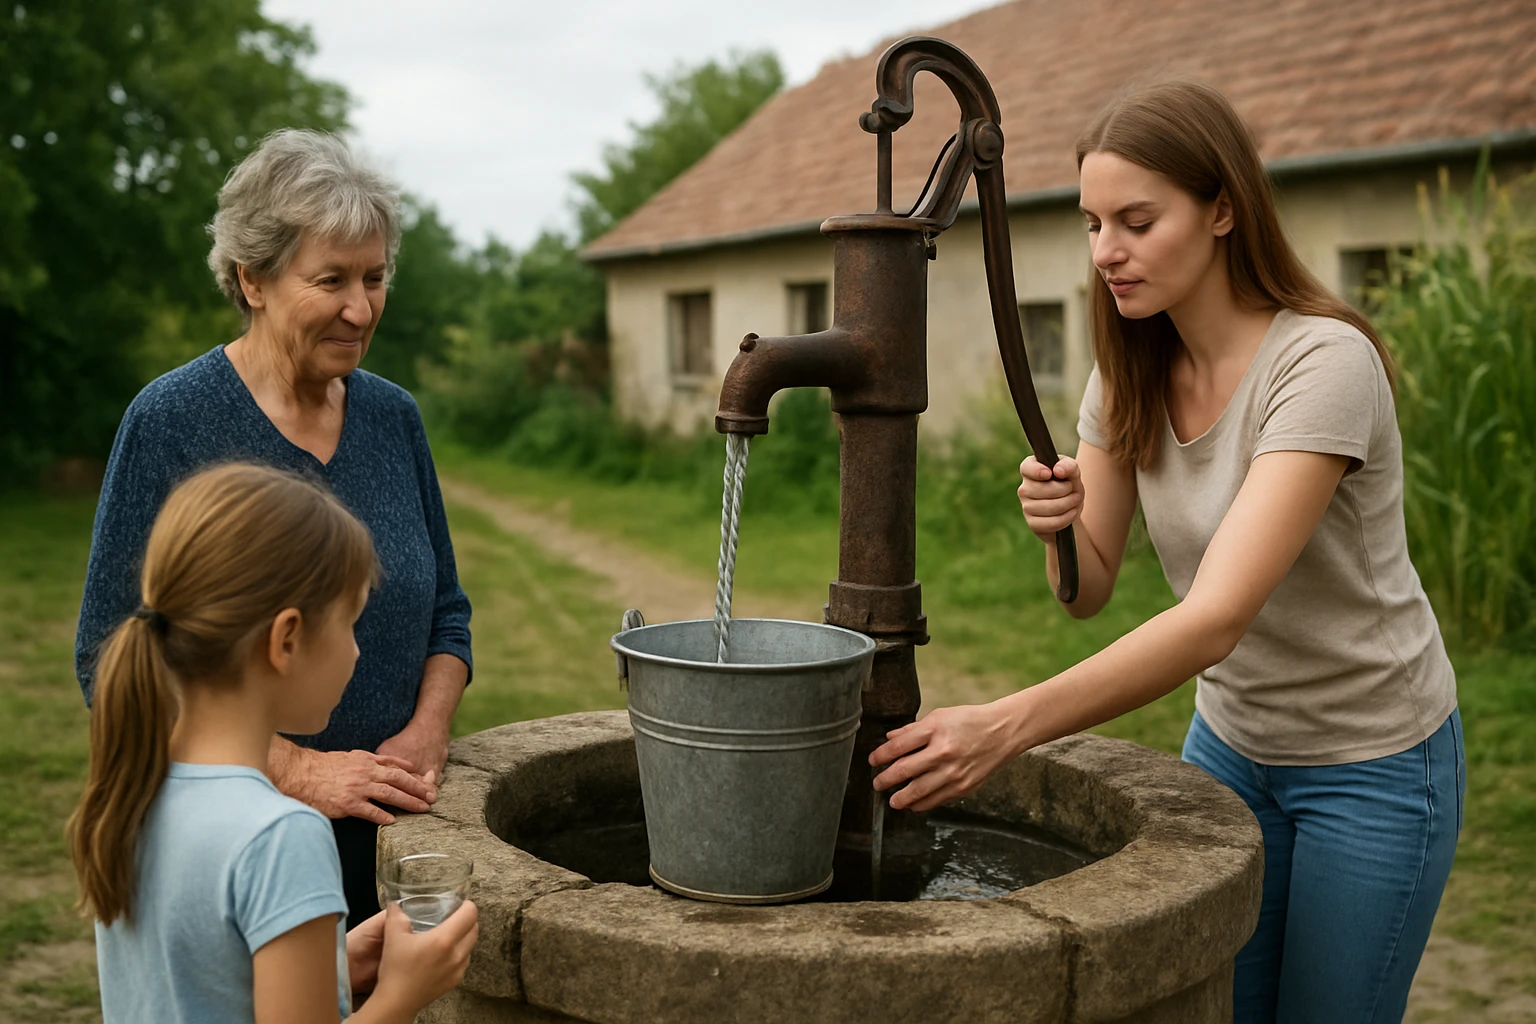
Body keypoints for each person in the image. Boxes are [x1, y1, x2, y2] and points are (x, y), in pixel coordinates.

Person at [870, 81, 1462, 1024]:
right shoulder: (1128, 371)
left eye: (1139, 221)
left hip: (1374, 759)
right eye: (1094, 222)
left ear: (1223, 208)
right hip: (1230, 745)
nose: (1108, 252)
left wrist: (1007, 725)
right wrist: (1059, 526)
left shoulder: (1322, 363)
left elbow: (1217, 616)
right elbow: (1088, 591)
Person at [75, 128, 472, 927]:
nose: (361, 309)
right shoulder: (171, 421)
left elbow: (448, 615)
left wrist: (427, 733)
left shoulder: (394, 416)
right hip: (243, 835)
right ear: (252, 279)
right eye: (330, 280)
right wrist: (297, 770)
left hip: (396, 830)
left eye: (375, 277)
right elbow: (110, 656)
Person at [68, 463, 479, 1023]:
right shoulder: (281, 836)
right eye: (349, 624)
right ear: (286, 638)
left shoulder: (133, 791)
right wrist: (403, 993)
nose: (357, 652)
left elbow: (207, 981)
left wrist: (333, 963)